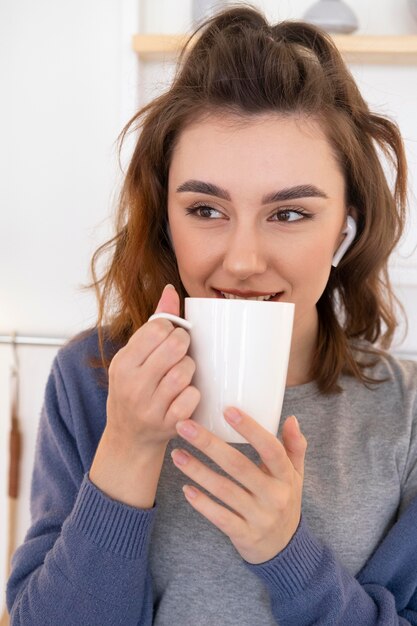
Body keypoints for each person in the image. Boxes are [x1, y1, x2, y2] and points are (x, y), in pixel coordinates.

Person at [6, 5, 417, 625]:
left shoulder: (405, 415)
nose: (243, 260)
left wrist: (286, 553)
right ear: (166, 220)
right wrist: (128, 447)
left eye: (289, 214)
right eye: (205, 209)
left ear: (345, 229)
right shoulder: (92, 379)